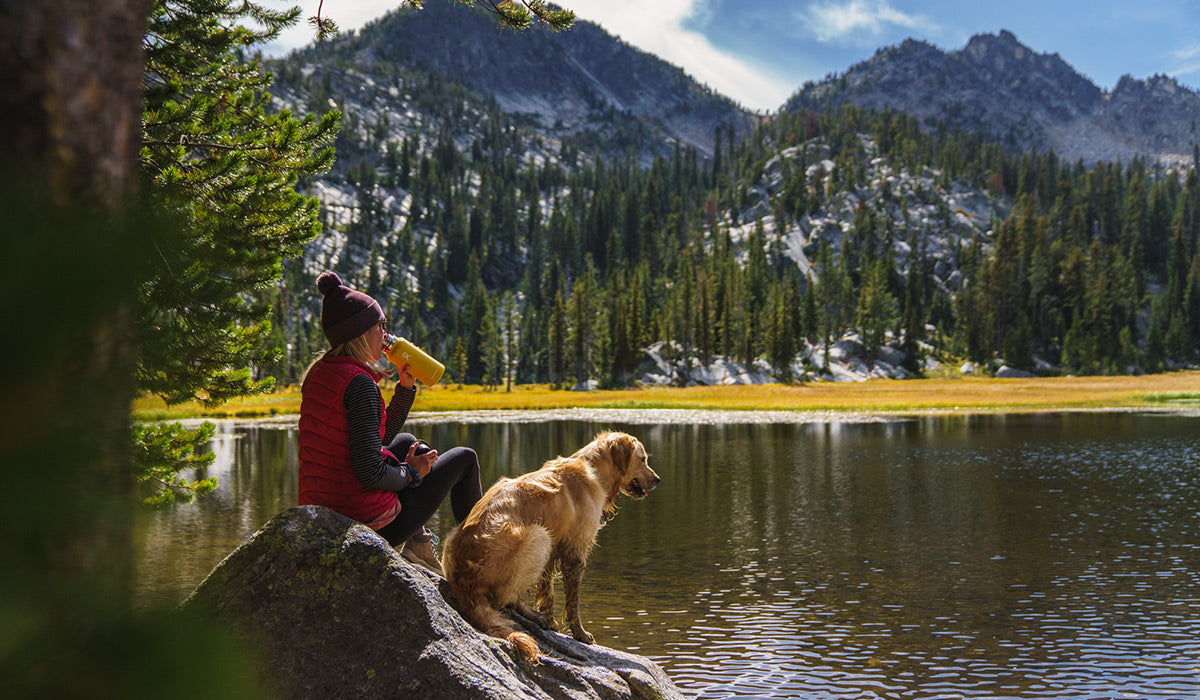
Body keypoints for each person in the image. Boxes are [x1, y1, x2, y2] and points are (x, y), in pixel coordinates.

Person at [298, 270, 482, 575]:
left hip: (326, 511)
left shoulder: (321, 373)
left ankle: (420, 545)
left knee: (406, 441)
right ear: (360, 332)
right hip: (364, 522)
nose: (386, 335)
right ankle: (477, 567)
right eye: (380, 326)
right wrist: (412, 474)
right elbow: (370, 472)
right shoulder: (359, 384)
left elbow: (375, 440)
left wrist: (405, 389)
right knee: (465, 459)